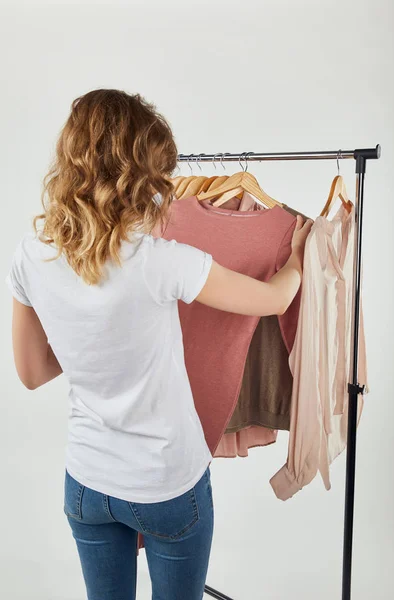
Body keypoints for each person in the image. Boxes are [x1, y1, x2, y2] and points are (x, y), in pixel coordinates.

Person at [5, 89, 313, 600]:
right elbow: (275, 300)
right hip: (167, 484)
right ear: (136, 174)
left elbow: (32, 372)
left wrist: (90, 338)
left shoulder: (29, 255)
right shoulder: (163, 261)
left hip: (86, 483)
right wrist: (299, 256)